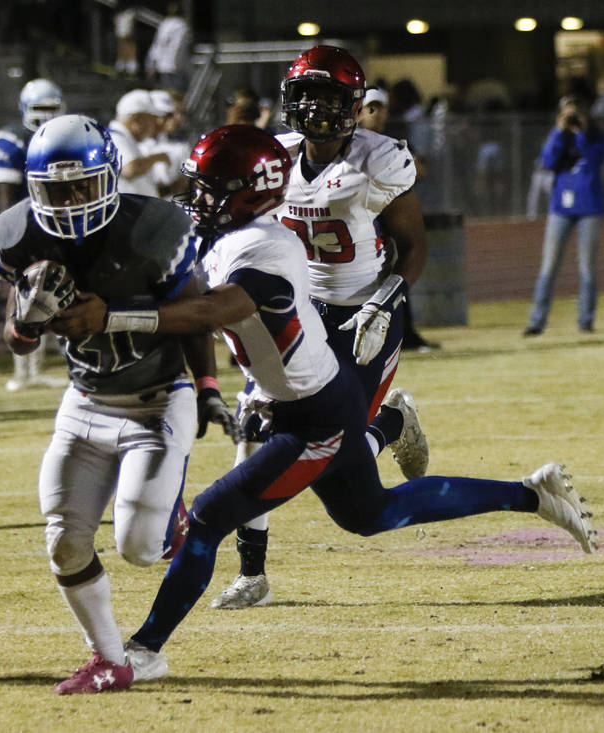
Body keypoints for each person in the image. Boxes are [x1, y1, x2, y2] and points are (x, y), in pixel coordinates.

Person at [49, 124, 597, 688]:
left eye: (211, 189)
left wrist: (112, 317)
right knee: (371, 514)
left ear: (249, 193)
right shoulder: (235, 235)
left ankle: (144, 651)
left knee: (209, 517)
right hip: (307, 397)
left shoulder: (261, 246)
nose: (197, 198)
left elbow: (211, 313)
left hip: (315, 416)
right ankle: (533, 494)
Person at [0, 114, 239, 695]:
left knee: (141, 550)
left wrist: (207, 387)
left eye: (82, 186)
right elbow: (16, 339)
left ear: (109, 176)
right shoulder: (15, 235)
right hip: (85, 402)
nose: (71, 201)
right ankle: (109, 658)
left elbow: (196, 316)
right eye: (56, 191)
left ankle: (170, 517)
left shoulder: (154, 228)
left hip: (156, 401)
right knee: (64, 540)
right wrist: (26, 321)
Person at [210, 45, 431, 610]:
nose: (314, 107)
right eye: (305, 94)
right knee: (255, 434)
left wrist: (386, 302)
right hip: (298, 313)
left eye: (328, 97)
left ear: (353, 106)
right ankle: (252, 574)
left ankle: (390, 421)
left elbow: (414, 248)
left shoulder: (378, 160)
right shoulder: (275, 158)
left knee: (336, 452)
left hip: (364, 311)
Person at [0, 78, 66, 392]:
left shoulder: (64, 137)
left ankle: (36, 369)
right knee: (24, 296)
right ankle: (22, 371)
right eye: (39, 108)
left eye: (51, 108)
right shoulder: (14, 141)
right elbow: (6, 193)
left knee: (51, 295)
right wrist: (13, 233)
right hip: (28, 225)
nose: (45, 115)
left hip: (59, 224)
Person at [357, 86, 439, 353]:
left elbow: (421, 170)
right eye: (370, 108)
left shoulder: (393, 144)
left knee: (399, 275)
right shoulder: (349, 146)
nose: (376, 114)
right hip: (361, 224)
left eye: (380, 109)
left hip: (391, 220)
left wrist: (397, 168)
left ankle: (406, 334)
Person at [524, 96, 604, 336]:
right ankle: (537, 321)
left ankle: (586, 320)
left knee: (587, 267)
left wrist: (581, 131)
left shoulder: (596, 137)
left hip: (589, 208)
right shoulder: (558, 136)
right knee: (548, 266)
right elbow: (547, 161)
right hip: (560, 208)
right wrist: (560, 132)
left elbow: (594, 160)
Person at [108, 89, 172, 197]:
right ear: (136, 120)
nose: (154, 125)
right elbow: (130, 170)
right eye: (151, 119)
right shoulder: (115, 136)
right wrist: (157, 157)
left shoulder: (125, 138)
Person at [144, 2, 190, 91]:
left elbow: (157, 44)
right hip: (174, 67)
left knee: (166, 91)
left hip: (164, 65)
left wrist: (151, 62)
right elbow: (177, 45)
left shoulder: (166, 23)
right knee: (175, 93)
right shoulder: (181, 25)